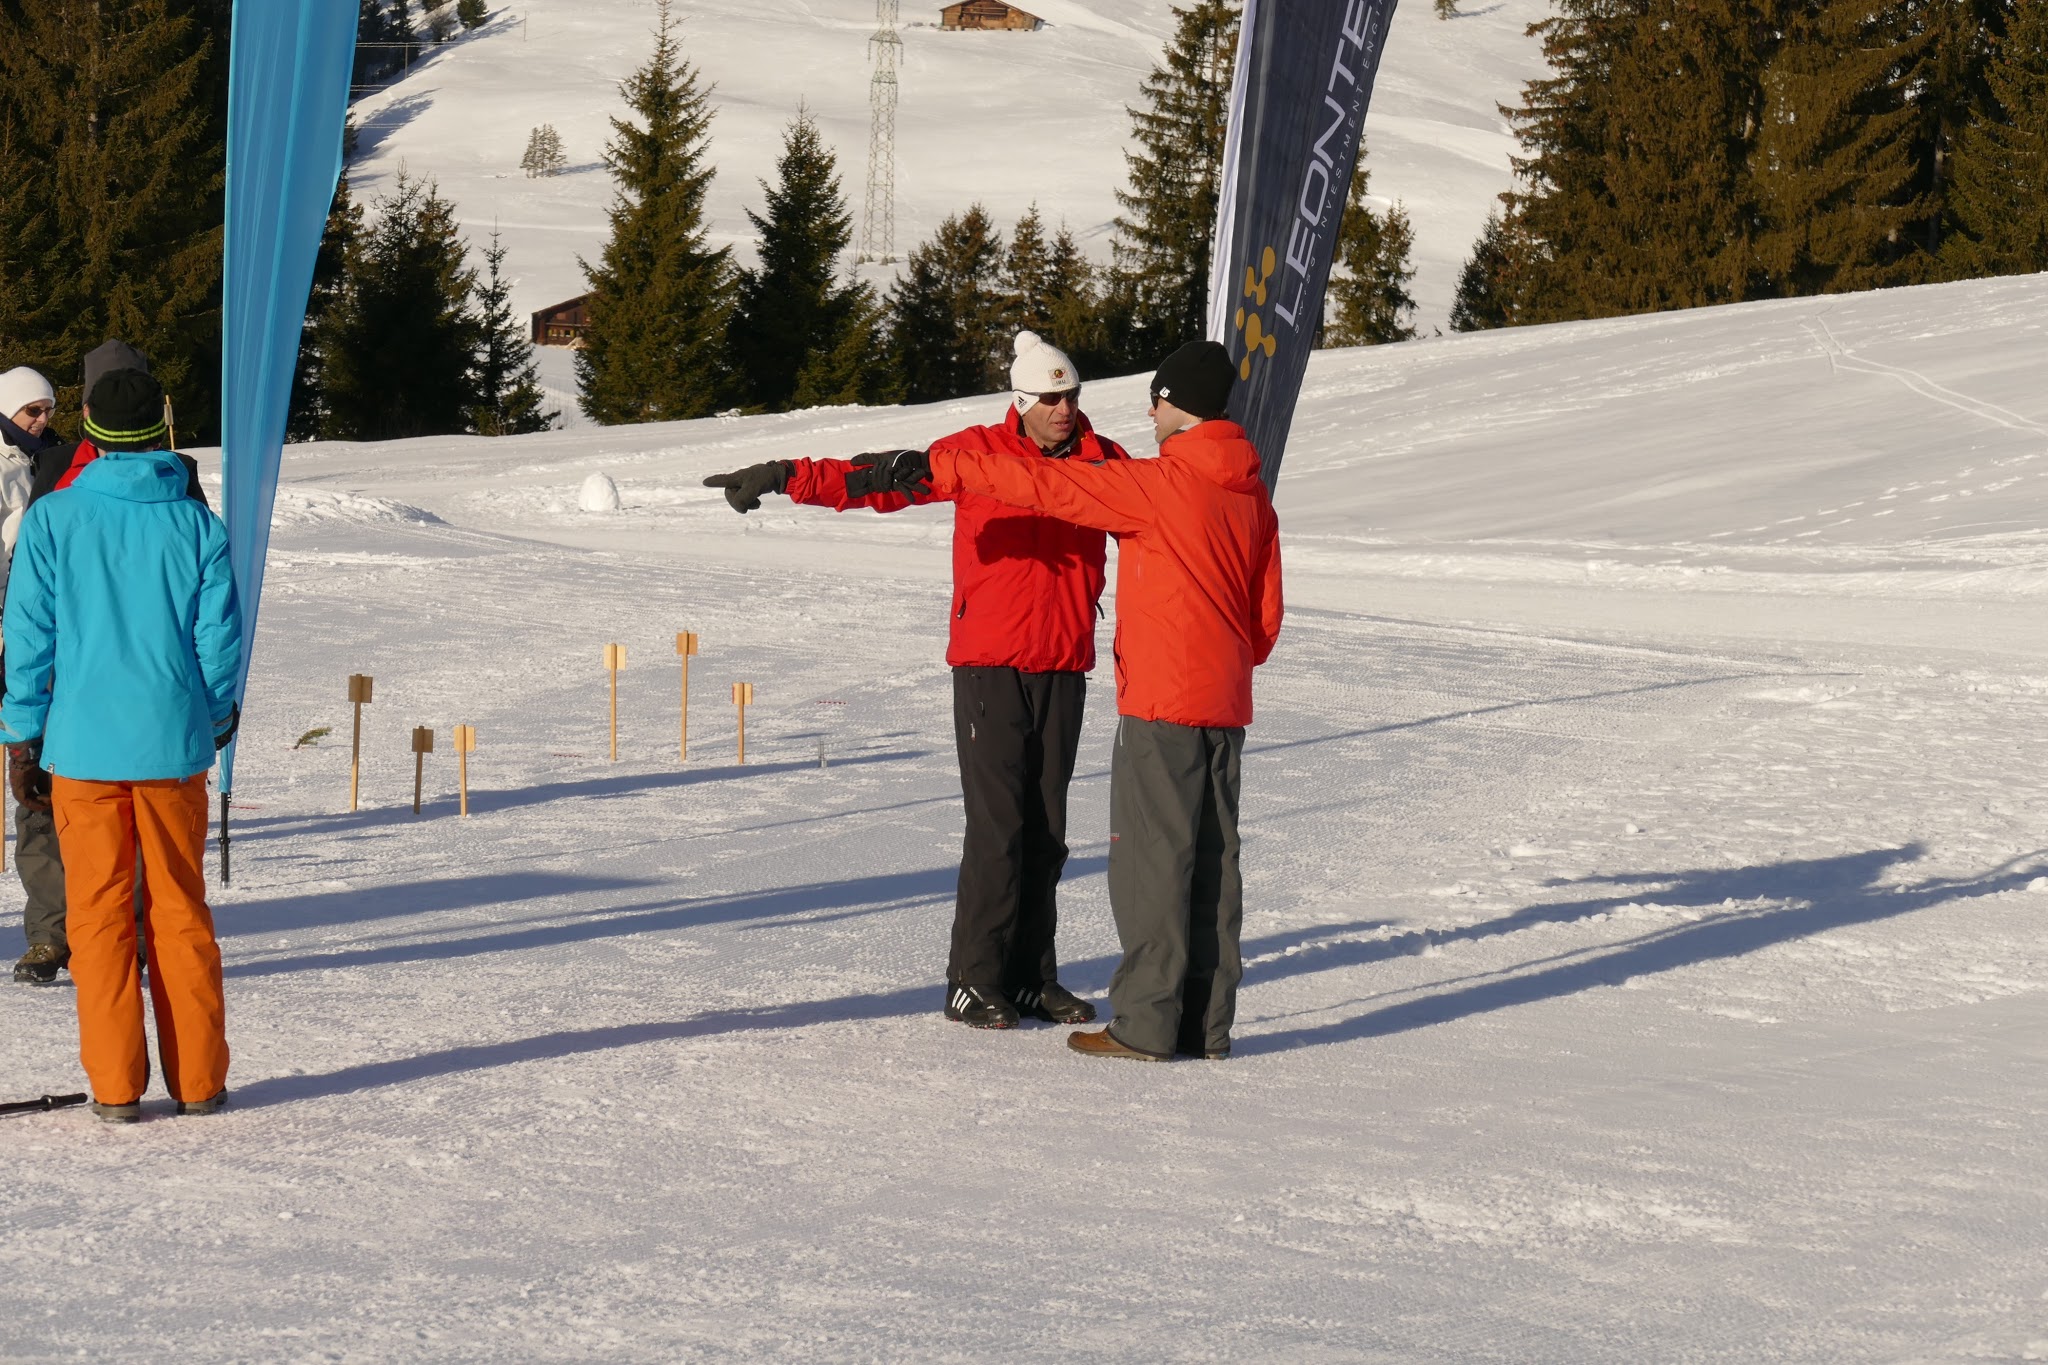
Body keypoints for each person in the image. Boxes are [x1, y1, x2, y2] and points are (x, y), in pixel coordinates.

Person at [862, 341, 1283, 1061]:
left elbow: (1045, 487)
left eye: (1157, 398)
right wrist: (1220, 660)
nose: (1149, 411)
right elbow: (1264, 617)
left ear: (1180, 404)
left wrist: (942, 464)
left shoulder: (1155, 482)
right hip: (1224, 702)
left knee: (1153, 864)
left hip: (1161, 698)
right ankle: (1205, 1025)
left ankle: (1145, 1024)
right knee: (1215, 866)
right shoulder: (1250, 491)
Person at [702, 331, 1127, 1031]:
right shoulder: (975, 454)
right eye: (1050, 399)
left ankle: (1029, 977)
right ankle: (974, 980)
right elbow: (876, 480)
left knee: (1047, 832)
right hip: (990, 664)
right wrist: (784, 474)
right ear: (1021, 401)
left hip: (1063, 662)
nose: (1064, 409)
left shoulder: (1103, 459)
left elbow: (1162, 516)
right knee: (999, 828)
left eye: (1072, 397)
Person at [1, 364, 242, 1121]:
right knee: (179, 912)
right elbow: (219, 644)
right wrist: (215, 716)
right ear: (160, 432)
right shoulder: (197, 525)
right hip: (172, 747)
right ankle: (198, 1082)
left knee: (98, 917)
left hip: (81, 750)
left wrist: (20, 737)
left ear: (93, 432)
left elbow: (28, 639)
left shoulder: (53, 519)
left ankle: (115, 1088)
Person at [0, 365, 70, 985]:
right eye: (32, 411)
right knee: (33, 784)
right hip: (14, 641)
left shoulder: (54, 463)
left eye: (47, 409)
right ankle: (50, 931)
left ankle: (84, 927)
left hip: (57, 641)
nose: (43, 420)